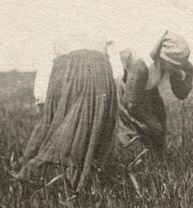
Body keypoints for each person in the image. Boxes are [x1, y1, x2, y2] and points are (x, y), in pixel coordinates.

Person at [13, 30, 122, 191]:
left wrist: (42, 101)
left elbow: (45, 64)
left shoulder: (57, 27)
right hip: (99, 75)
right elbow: (117, 68)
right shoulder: (102, 27)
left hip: (67, 74)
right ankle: (80, 182)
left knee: (60, 132)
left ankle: (52, 181)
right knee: (87, 134)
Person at [114, 31, 193, 155]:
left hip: (149, 89)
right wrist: (152, 122)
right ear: (162, 58)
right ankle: (131, 160)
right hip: (126, 90)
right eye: (174, 65)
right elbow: (131, 104)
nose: (177, 69)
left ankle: (157, 162)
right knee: (130, 135)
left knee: (158, 135)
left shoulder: (173, 63)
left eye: (179, 65)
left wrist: (189, 73)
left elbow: (181, 93)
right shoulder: (141, 64)